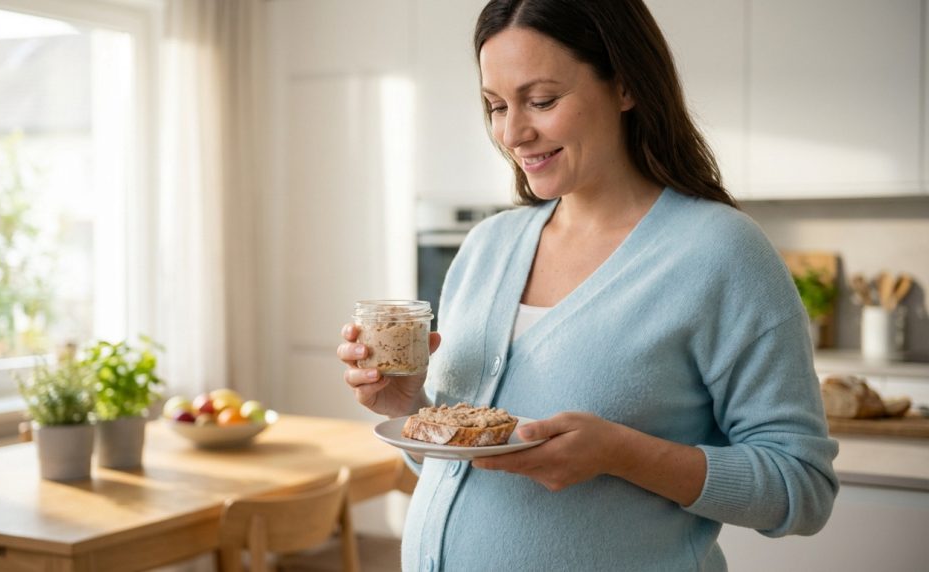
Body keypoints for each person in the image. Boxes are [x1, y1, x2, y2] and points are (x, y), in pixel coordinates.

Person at [338, 0, 839, 569]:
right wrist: (412, 406)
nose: (513, 132)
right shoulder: (486, 248)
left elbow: (801, 488)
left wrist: (621, 454)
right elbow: (462, 472)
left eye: (542, 101)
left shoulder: (719, 253)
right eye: (496, 105)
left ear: (625, 86)